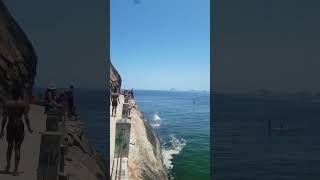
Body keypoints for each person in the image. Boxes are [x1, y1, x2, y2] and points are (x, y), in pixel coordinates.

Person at [0, 84, 33, 176]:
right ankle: (15, 170)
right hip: (19, 126)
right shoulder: (22, 104)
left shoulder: (8, 104)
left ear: (12, 94)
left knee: (9, 147)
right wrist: (29, 127)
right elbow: (26, 117)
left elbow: (5, 118)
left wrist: (1, 129)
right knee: (17, 148)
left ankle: (8, 166)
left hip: (10, 126)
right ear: (19, 95)